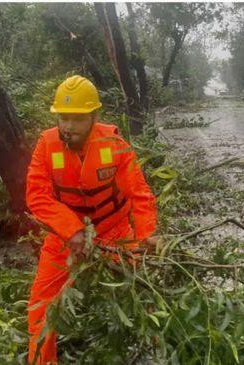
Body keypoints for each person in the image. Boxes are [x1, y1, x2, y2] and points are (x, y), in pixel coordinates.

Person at [25, 75, 158, 364]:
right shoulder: (47, 145)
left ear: (94, 117)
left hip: (114, 232)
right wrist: (70, 230)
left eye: (77, 119)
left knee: (142, 292)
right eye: (63, 117)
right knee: (40, 306)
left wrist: (147, 234)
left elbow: (139, 193)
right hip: (64, 238)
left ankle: (154, 349)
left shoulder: (114, 144)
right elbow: (37, 196)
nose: (68, 126)